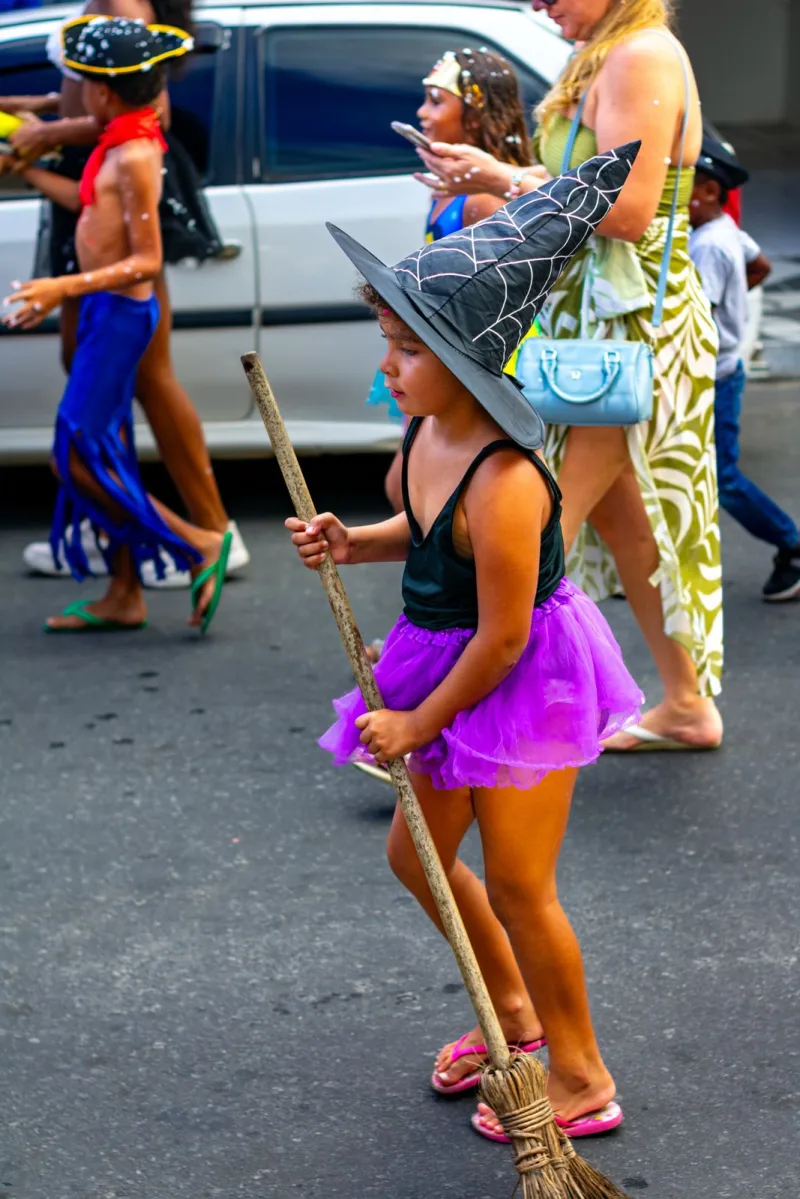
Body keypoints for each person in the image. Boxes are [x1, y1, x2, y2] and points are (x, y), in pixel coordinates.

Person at [288, 145, 643, 1139]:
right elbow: (421, 529)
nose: (384, 366)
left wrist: (414, 720)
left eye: (403, 351)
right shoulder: (425, 437)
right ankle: (513, 1016)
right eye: (386, 342)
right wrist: (352, 540)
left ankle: (579, 1072)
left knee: (523, 884)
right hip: (446, 657)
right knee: (421, 859)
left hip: (516, 669)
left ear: (464, 360)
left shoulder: (504, 476)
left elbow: (502, 632)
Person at [413, 0, 725, 753]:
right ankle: (685, 705)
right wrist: (498, 173)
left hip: (626, 332)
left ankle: (463, 720)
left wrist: (503, 179)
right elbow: (585, 184)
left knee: (532, 524)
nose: (539, 4)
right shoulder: (613, 49)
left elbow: (627, 207)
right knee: (623, 521)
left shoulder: (638, 55)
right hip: (598, 328)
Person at [0, 0, 249, 589]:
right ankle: (125, 577)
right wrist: (26, 159)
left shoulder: (132, 147)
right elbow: (89, 200)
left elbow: (146, 257)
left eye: (84, 84)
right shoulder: (115, 142)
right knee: (91, 443)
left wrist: (62, 286)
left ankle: (199, 541)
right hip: (103, 301)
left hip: (116, 307)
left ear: (104, 93)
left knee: (87, 448)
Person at [368, 47, 536, 517]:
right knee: (409, 486)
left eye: (436, 101)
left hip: (468, 367)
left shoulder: (482, 201)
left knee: (421, 490)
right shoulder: (452, 191)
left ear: (476, 117)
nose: (422, 112)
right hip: (436, 356)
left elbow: (508, 289)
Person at [689, 137, 800, 602]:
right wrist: (737, 305)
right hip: (725, 368)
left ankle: (791, 545)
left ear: (711, 190)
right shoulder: (728, 232)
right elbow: (762, 265)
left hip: (713, 376)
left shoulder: (708, 247)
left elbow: (695, 316)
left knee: (724, 480)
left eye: (683, 186)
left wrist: (723, 318)